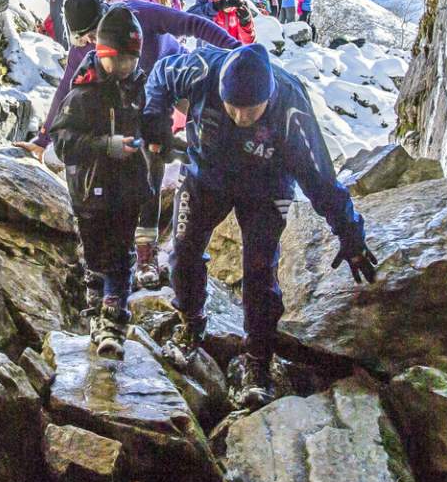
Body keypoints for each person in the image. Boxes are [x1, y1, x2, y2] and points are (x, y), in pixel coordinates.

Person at [143, 44, 379, 409]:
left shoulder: (291, 107)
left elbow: (320, 178)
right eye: (231, 106)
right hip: (206, 177)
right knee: (183, 250)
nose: (240, 116)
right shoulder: (200, 69)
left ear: (268, 97)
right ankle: (191, 322)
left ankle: (258, 361)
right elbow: (159, 75)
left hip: (266, 190)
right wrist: (155, 118)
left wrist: (351, 235)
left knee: (259, 270)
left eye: (250, 109)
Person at [30, 0, 240, 285]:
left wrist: (240, 54)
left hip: (173, 77)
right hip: (134, 100)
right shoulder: (89, 49)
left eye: (92, 35)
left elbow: (193, 23)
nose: (90, 43)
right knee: (141, 157)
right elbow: (67, 86)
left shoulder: (139, 14)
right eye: (83, 39)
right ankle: (136, 247)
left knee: (197, 133)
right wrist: (42, 140)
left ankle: (156, 243)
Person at [48, 8, 155, 360]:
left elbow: (152, 125)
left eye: (130, 60)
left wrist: (159, 141)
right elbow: (62, 142)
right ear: (103, 53)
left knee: (120, 257)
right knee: (95, 255)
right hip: (89, 192)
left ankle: (113, 323)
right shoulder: (83, 93)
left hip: (127, 189)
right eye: (116, 60)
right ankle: (96, 309)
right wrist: (104, 146)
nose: (124, 67)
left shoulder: (140, 87)